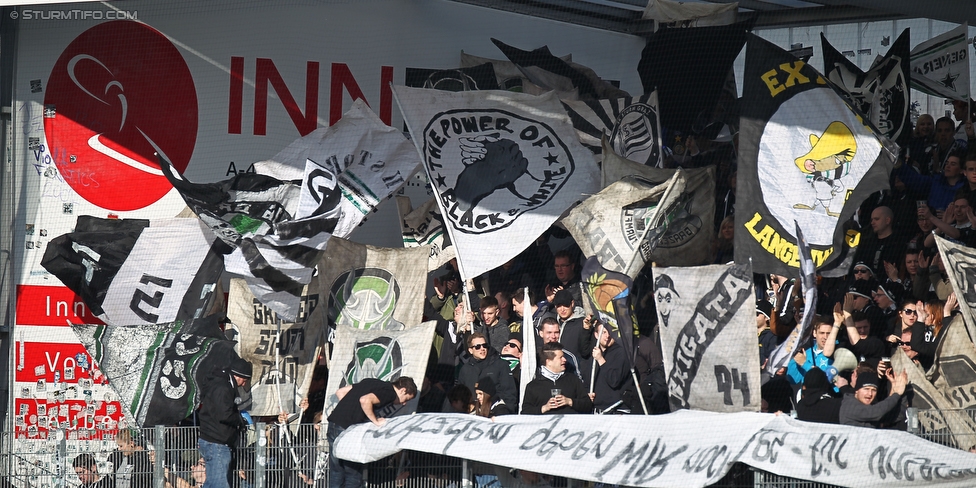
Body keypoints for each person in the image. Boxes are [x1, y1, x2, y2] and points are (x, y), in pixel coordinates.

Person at [326, 377, 417, 488]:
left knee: (337, 470)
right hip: (347, 430)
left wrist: (351, 410)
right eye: (406, 399)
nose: (404, 404)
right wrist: (376, 420)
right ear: (403, 390)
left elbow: (340, 392)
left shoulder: (371, 382)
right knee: (353, 473)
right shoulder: (390, 393)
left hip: (334, 424)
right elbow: (365, 400)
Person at [198, 356, 252, 488]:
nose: (243, 384)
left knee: (212, 483)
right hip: (217, 442)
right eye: (244, 381)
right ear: (237, 376)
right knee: (220, 484)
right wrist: (240, 421)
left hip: (212, 440)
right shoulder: (223, 388)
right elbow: (224, 414)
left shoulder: (218, 384)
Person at [521, 342, 593, 415]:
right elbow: (525, 413)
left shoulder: (573, 380)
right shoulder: (533, 386)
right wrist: (544, 408)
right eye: (560, 357)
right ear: (549, 362)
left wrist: (569, 401)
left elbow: (588, 405)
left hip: (570, 425)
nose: (564, 360)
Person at [456, 333, 518, 409]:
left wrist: (505, 412)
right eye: (477, 347)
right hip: (472, 413)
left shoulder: (501, 365)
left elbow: (509, 393)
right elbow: (460, 395)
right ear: (470, 350)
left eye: (484, 345)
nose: (482, 348)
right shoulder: (465, 369)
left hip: (495, 412)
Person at [839, 368, 908, 428]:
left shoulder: (871, 406)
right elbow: (875, 412)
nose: (870, 394)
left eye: (874, 390)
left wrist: (900, 390)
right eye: (866, 389)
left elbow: (896, 416)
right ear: (857, 390)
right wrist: (896, 394)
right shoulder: (849, 405)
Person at [591, 325, 637, 414]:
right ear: (596, 335)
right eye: (603, 332)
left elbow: (614, 380)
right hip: (598, 410)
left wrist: (601, 360)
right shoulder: (594, 355)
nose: (607, 336)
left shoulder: (622, 353)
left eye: (610, 332)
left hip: (617, 410)